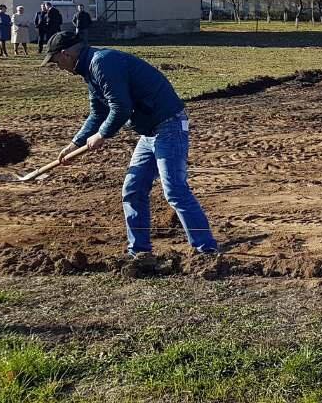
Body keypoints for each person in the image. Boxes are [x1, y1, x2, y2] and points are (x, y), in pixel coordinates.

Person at [42, 32, 217, 258]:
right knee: (133, 190)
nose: (58, 67)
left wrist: (102, 135)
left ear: (65, 54)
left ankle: (206, 250)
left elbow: (121, 108)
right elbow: (98, 113)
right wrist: (74, 144)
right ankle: (140, 253)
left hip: (169, 125)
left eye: (56, 62)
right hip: (149, 132)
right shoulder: (90, 70)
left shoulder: (102, 62)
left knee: (174, 189)